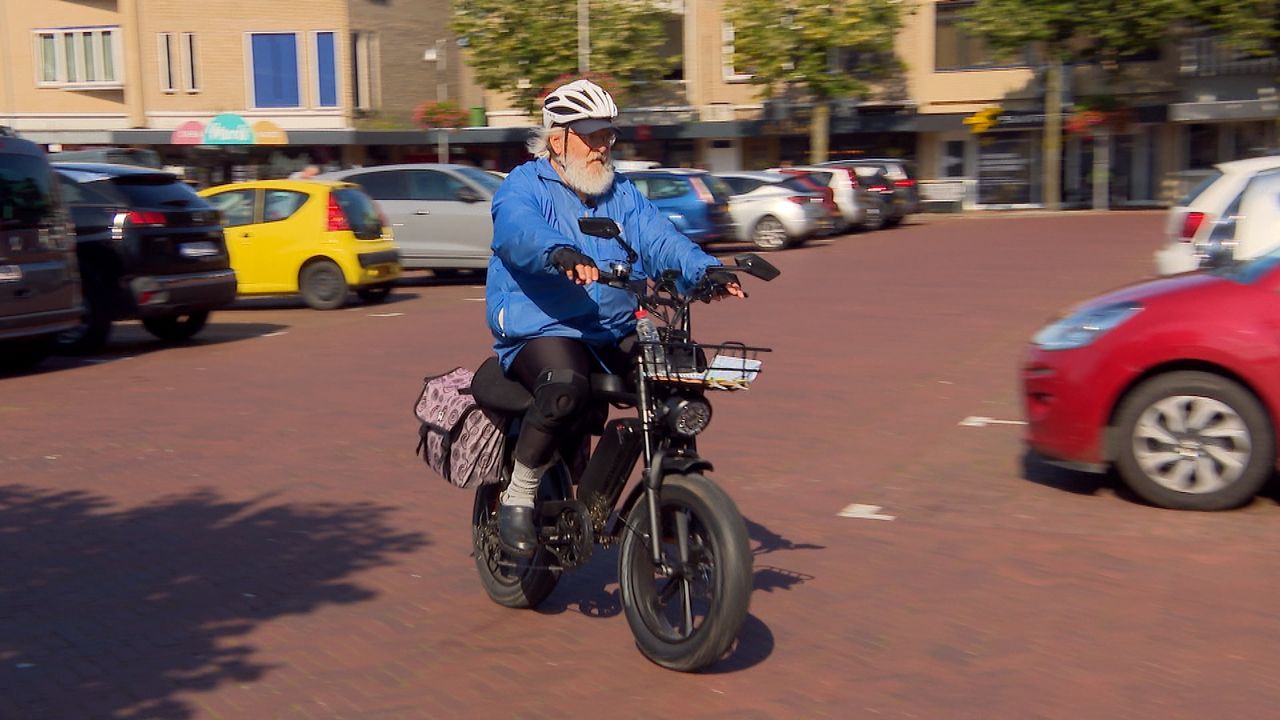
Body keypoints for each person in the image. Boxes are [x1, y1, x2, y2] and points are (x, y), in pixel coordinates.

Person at [485, 78, 742, 556]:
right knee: (565, 383)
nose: (604, 144)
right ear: (558, 138)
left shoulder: (620, 192)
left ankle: (663, 495)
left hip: (610, 326)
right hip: (542, 323)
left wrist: (704, 271)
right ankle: (517, 496)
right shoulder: (522, 186)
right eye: (593, 134)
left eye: (608, 134)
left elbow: (659, 237)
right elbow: (519, 232)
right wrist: (558, 252)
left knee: (678, 372)